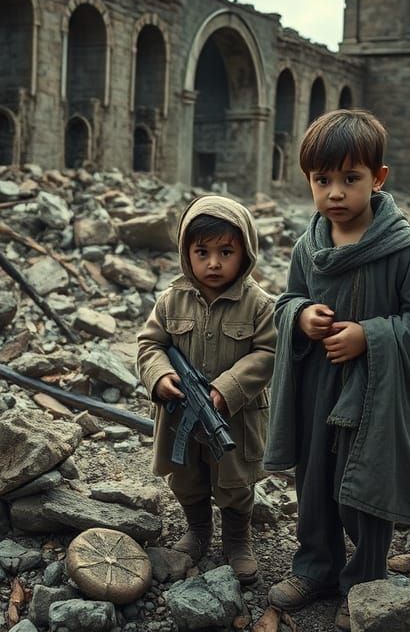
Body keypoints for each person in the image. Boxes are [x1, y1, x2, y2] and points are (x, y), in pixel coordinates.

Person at [263, 110, 410, 631]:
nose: (335, 193)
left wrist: (372, 335)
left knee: (365, 483)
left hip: (374, 394)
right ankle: (316, 566)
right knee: (315, 480)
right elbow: (285, 300)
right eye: (323, 180)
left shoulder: (404, 252)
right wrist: (300, 315)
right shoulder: (310, 245)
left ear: (379, 178)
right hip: (320, 388)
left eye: (351, 178)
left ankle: (364, 581)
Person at [136, 195, 275, 586]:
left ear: (245, 253)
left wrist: (227, 388)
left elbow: (268, 353)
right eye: (202, 252)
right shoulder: (170, 300)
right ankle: (198, 530)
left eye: (226, 252)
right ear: (186, 253)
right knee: (184, 476)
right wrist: (160, 377)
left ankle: (236, 539)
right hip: (180, 413)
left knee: (235, 482)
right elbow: (150, 346)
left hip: (234, 417)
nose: (213, 263)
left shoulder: (259, 305)